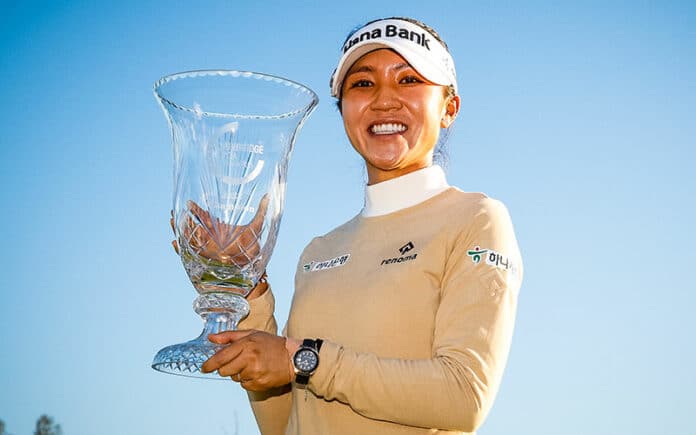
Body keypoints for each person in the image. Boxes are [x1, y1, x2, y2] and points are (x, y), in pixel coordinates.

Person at [196, 17, 523, 435]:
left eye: (408, 80)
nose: (385, 100)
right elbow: (283, 426)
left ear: (449, 108)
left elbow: (464, 397)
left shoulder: (476, 219)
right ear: (344, 110)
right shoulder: (319, 251)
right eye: (363, 84)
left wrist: (301, 359)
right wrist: (247, 286)